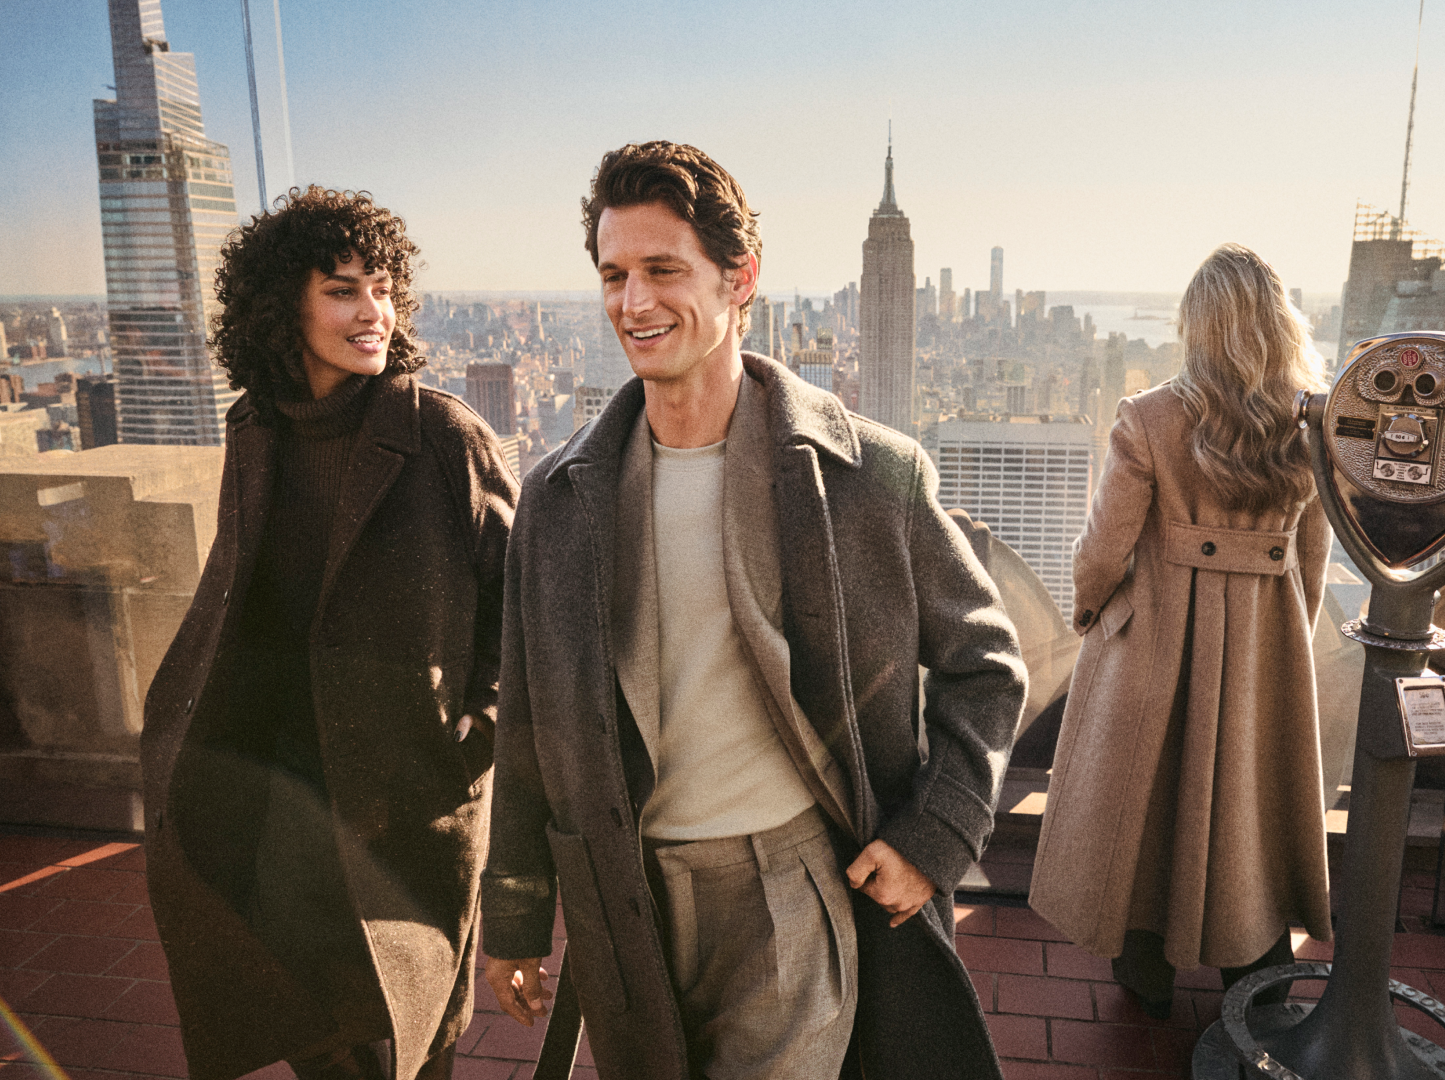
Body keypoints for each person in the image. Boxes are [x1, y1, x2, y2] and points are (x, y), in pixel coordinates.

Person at [478, 141, 1027, 1080]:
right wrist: (519, 916)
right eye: (613, 275)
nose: (632, 303)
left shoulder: (871, 475)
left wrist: (934, 836)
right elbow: (530, 727)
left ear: (742, 280)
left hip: (790, 887)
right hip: (625, 901)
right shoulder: (560, 501)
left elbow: (986, 664)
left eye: (662, 271)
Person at [140, 187, 518, 1080]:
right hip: (279, 779)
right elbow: (238, 585)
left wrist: (488, 717)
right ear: (285, 309)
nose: (373, 311)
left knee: (411, 1025)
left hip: (402, 782)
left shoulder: (441, 435)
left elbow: (522, 596)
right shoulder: (255, 428)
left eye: (381, 287)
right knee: (305, 1012)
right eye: (343, 290)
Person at [1028, 243, 1333, 1019]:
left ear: (1194, 327)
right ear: (1278, 322)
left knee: (1148, 800)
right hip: (1267, 640)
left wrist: (1093, 612)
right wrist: (1289, 630)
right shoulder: (1314, 419)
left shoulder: (1150, 416)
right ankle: (1256, 973)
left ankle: (1145, 972)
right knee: (1250, 800)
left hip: (1157, 639)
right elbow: (1313, 553)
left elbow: (1104, 547)